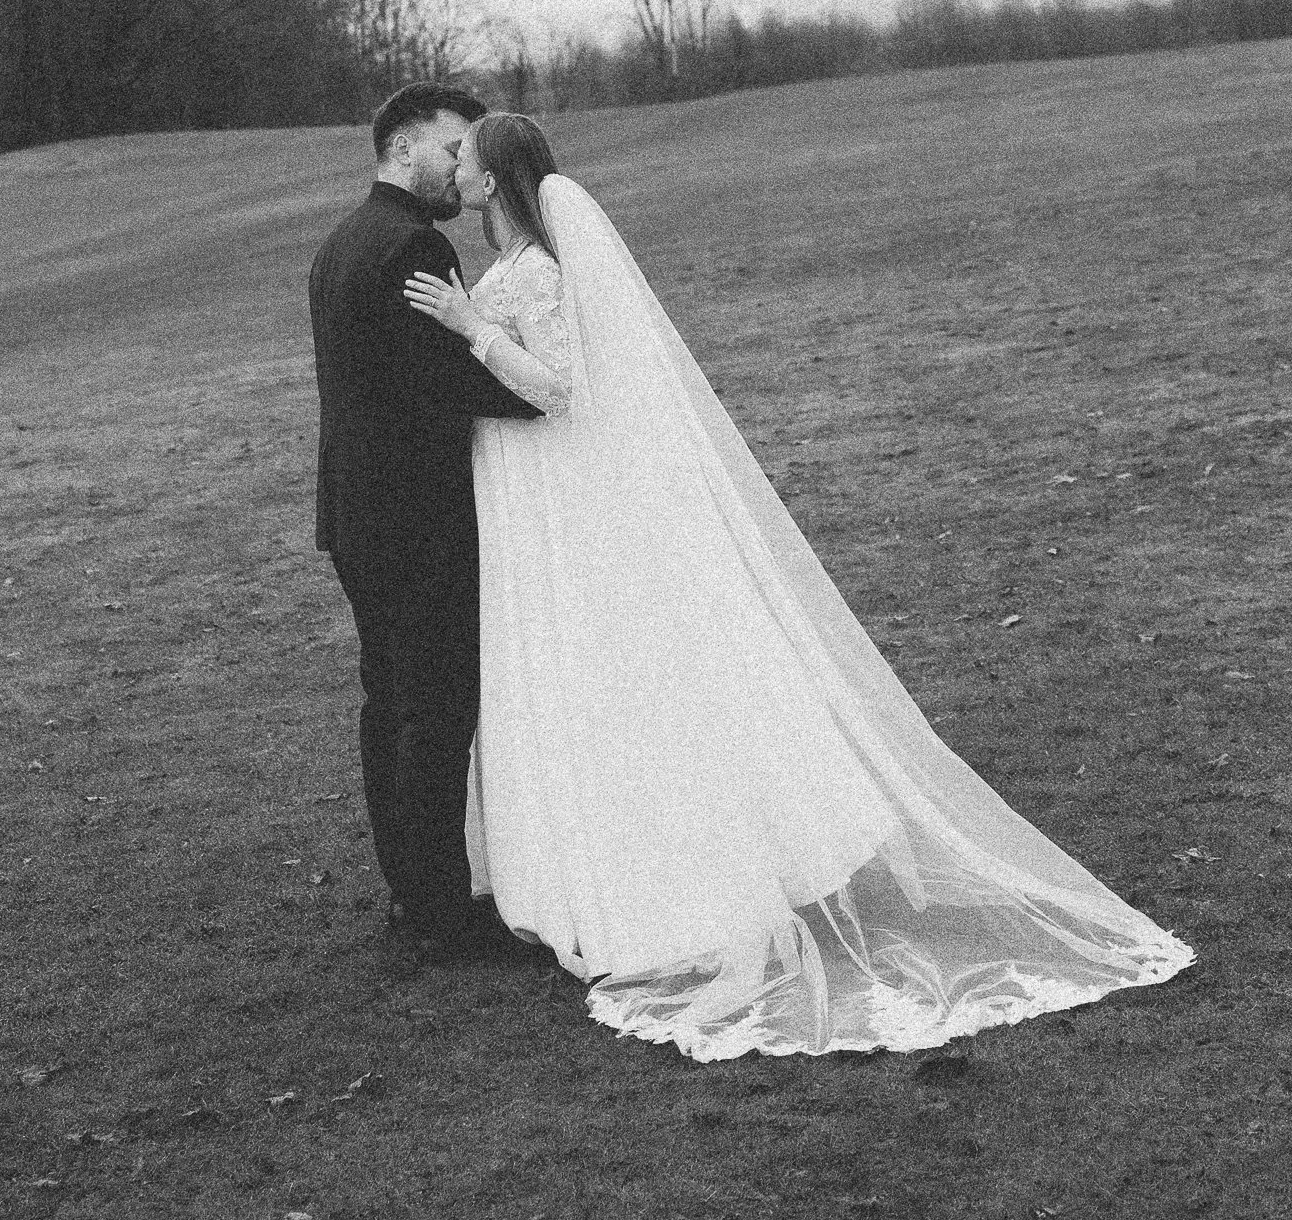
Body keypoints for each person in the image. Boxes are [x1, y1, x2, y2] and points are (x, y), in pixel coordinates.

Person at [402, 112, 1195, 1059]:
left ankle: (652, 881)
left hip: (554, 486)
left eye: (469, 159)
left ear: (496, 181)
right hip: (534, 497)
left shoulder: (535, 268)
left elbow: (560, 390)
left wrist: (471, 330)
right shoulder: (516, 263)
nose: (458, 167)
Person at [308, 83, 545, 958]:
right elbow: (447, 379)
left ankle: (414, 894)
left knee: (390, 703)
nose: (463, 168)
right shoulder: (414, 245)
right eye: (453, 150)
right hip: (416, 518)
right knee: (436, 710)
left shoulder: (341, 242)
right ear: (406, 149)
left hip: (354, 512)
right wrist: (543, 390)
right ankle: (445, 912)